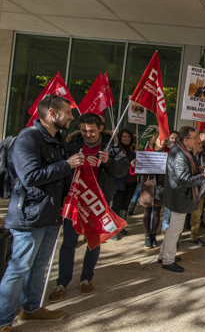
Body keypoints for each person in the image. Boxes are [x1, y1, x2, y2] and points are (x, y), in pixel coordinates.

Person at [0, 95, 84, 330]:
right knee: (19, 267)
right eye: (68, 112)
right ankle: (3, 320)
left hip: (50, 214)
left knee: (39, 266)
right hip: (29, 216)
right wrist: (67, 164)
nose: (71, 117)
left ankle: (31, 309)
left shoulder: (58, 139)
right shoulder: (28, 137)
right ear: (52, 113)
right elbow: (29, 177)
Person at [48, 113, 129, 303]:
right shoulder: (72, 143)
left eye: (92, 131)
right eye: (84, 130)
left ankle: (86, 278)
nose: (88, 134)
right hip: (74, 200)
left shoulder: (113, 146)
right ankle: (62, 282)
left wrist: (108, 162)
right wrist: (75, 163)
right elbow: (60, 167)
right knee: (68, 243)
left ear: (100, 128)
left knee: (94, 242)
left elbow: (122, 170)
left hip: (98, 202)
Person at [158, 126, 205, 273]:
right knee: (175, 230)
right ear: (185, 140)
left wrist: (197, 170)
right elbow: (184, 179)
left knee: (173, 228)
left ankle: (163, 255)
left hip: (177, 195)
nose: (196, 141)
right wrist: (201, 177)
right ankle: (168, 260)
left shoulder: (180, 150)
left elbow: (184, 172)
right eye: (194, 139)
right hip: (179, 196)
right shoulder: (180, 153)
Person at [139, 131, 177, 248]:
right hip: (148, 186)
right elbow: (138, 170)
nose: (162, 142)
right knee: (147, 212)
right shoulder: (147, 152)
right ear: (154, 139)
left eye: (164, 140)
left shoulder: (169, 152)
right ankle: (147, 235)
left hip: (161, 186)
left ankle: (153, 235)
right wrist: (136, 164)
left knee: (156, 212)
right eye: (160, 139)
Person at [110, 128, 137, 240]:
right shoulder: (117, 148)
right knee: (116, 205)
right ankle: (113, 229)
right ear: (120, 138)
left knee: (125, 205)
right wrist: (133, 154)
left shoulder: (133, 148)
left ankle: (122, 226)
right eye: (124, 136)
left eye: (129, 136)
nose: (127, 138)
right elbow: (123, 160)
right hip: (120, 182)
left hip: (132, 181)